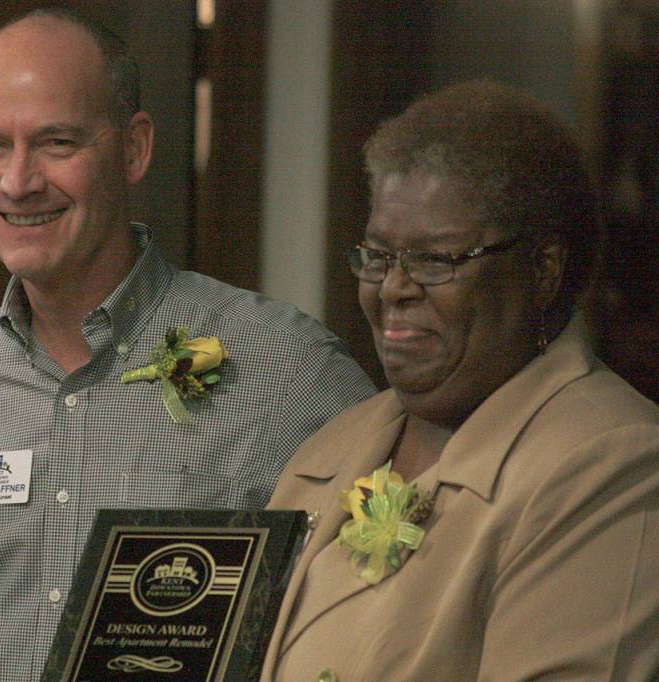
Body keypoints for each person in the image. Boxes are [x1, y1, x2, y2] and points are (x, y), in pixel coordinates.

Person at [0, 8, 375, 681]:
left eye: (56, 143)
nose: (18, 181)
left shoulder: (287, 369)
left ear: (133, 149)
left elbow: (384, 611)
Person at [262, 80, 659, 681]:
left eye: (434, 259)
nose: (393, 288)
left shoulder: (614, 463)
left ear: (542, 271)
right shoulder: (335, 444)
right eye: (377, 255)